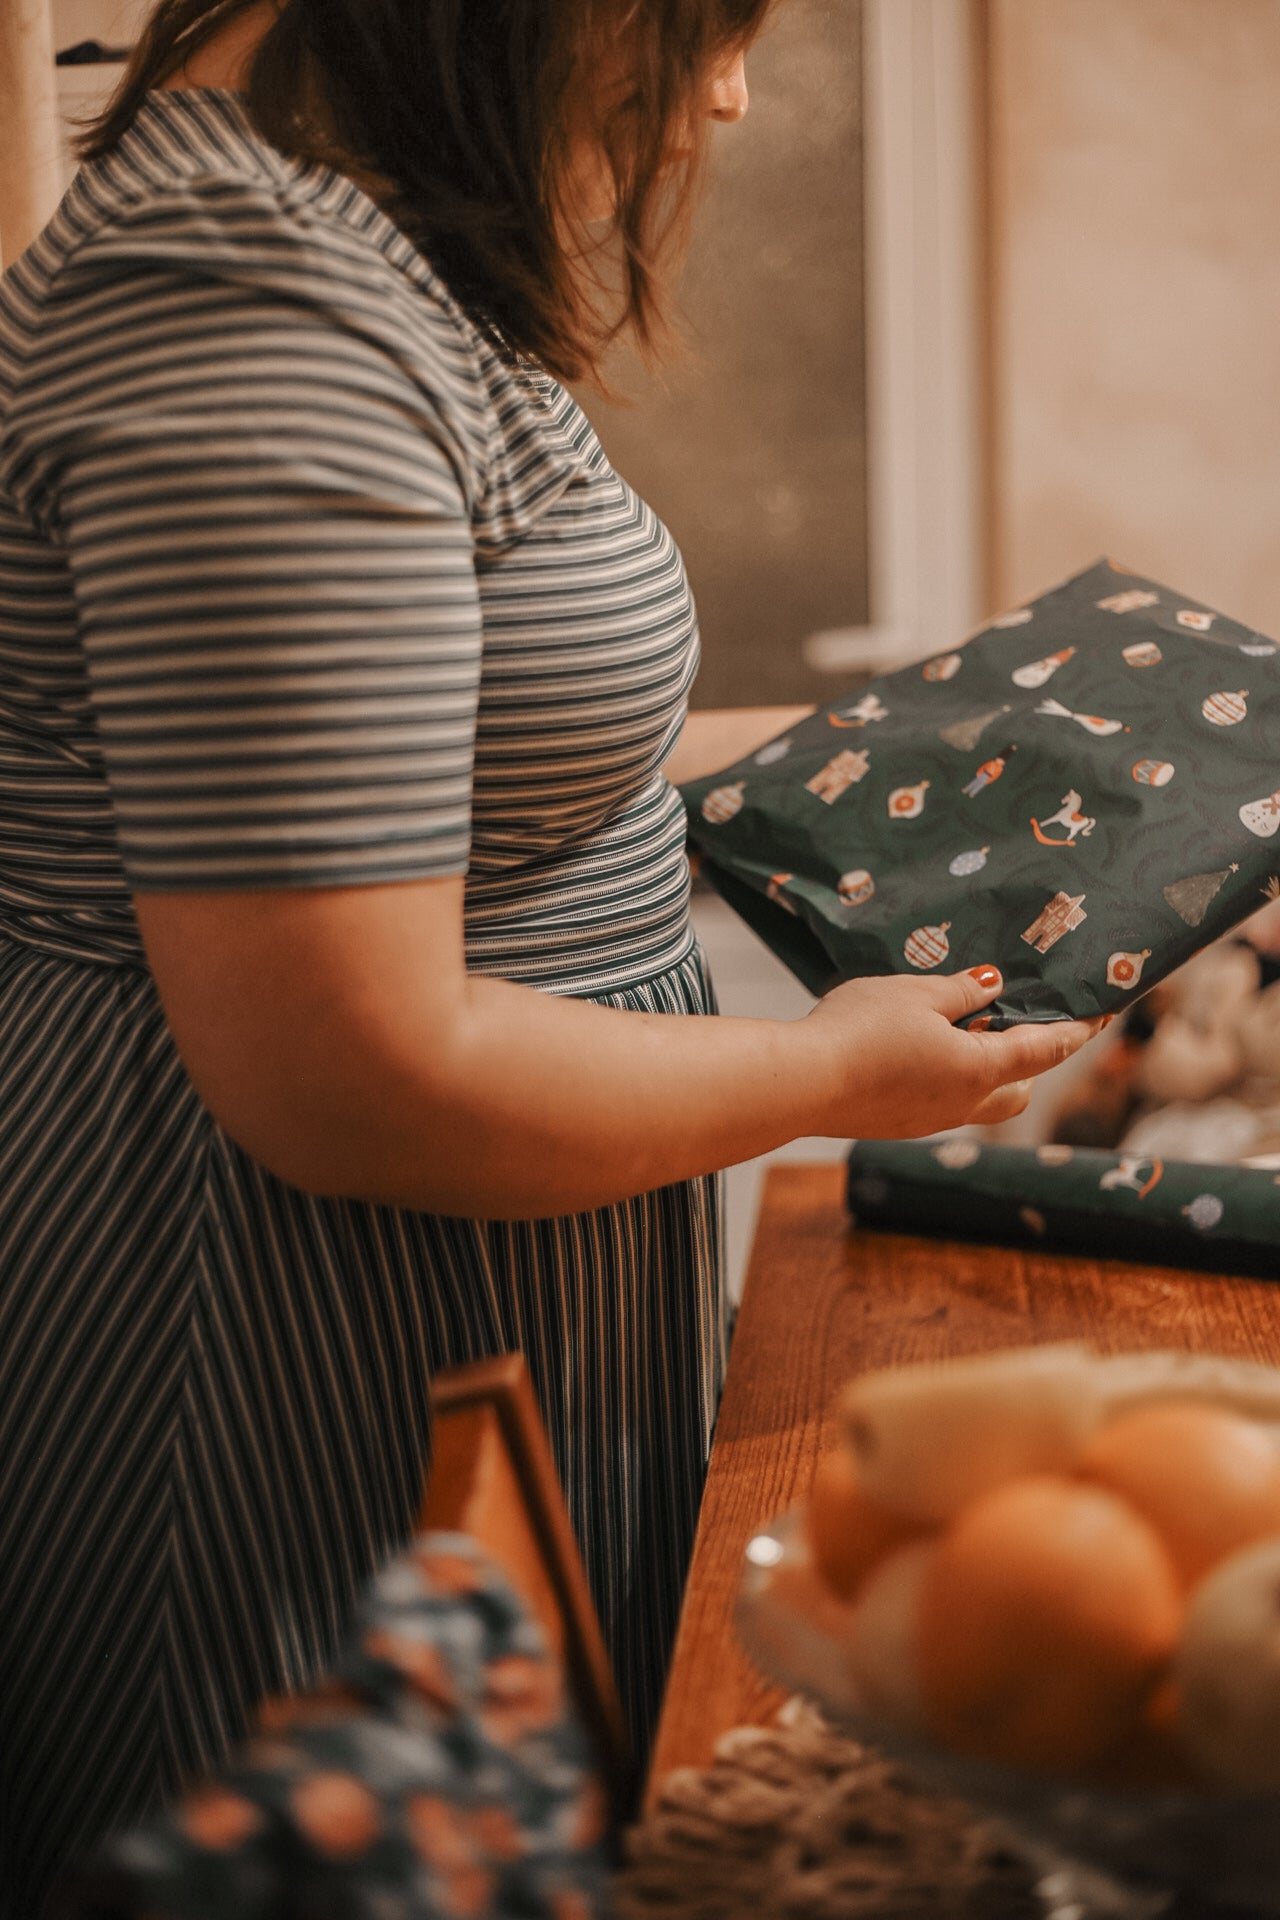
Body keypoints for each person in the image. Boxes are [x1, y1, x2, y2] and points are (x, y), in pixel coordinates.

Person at [0, 0, 1101, 1907]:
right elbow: (358, 1074)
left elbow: (458, 777)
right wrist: (836, 1078)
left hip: (442, 1286)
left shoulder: (338, 247)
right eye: (714, 18)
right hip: (284, 1325)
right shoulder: (244, 317)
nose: (735, 88)